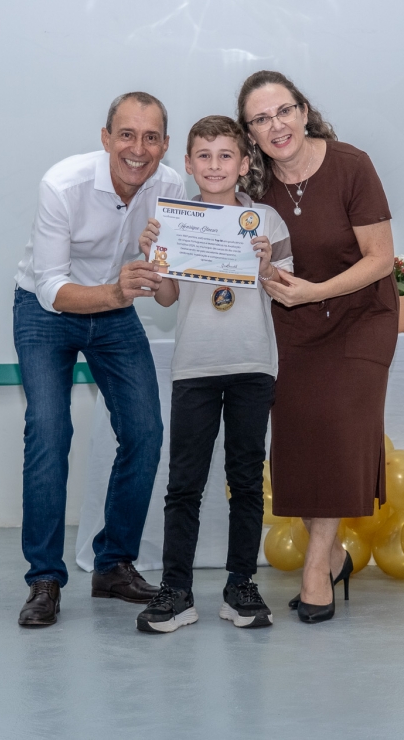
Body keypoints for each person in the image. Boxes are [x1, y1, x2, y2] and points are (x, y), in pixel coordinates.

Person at [12, 92, 185, 627]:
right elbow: (51, 288)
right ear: (106, 138)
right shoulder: (62, 185)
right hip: (47, 310)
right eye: (127, 134)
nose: (138, 148)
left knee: (145, 432)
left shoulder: (171, 188)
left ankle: (113, 565)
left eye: (151, 137)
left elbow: (168, 295)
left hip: (116, 308)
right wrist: (116, 292)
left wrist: (159, 266)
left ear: (165, 144)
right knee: (49, 431)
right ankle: (44, 578)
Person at [236, 70, 398, 623]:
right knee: (301, 443)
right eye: (261, 119)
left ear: (304, 112)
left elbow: (381, 259)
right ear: (250, 134)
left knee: (338, 430)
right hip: (292, 324)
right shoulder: (252, 189)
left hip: (360, 317)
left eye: (284, 111)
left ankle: (314, 571)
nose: (276, 125)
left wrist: (316, 292)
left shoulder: (352, 165)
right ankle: (333, 557)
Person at [132, 116, 293, 633]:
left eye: (226, 155)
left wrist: (266, 267)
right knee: (184, 483)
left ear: (244, 164)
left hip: (252, 365)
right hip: (195, 366)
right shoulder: (174, 219)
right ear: (188, 163)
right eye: (204, 155)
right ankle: (176, 590)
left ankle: (240, 584)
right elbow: (166, 298)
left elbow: (288, 288)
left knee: (245, 481)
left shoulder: (265, 220)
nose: (215, 165)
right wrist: (154, 259)